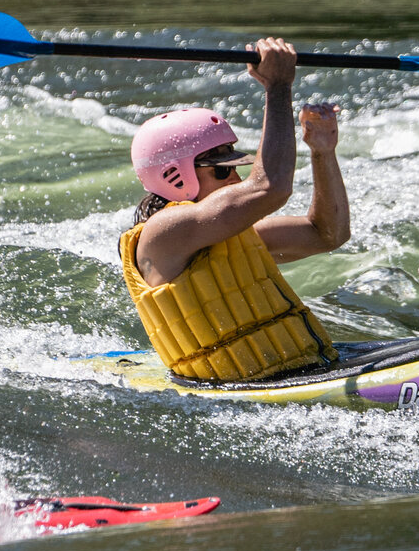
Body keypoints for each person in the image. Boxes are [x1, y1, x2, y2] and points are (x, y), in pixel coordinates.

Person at [120, 38, 351, 383]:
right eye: (222, 170)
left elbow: (328, 234)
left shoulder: (237, 237)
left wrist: (322, 151)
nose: (237, 178)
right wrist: (278, 86)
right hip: (237, 390)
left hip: (301, 371)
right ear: (174, 175)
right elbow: (269, 188)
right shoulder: (165, 233)